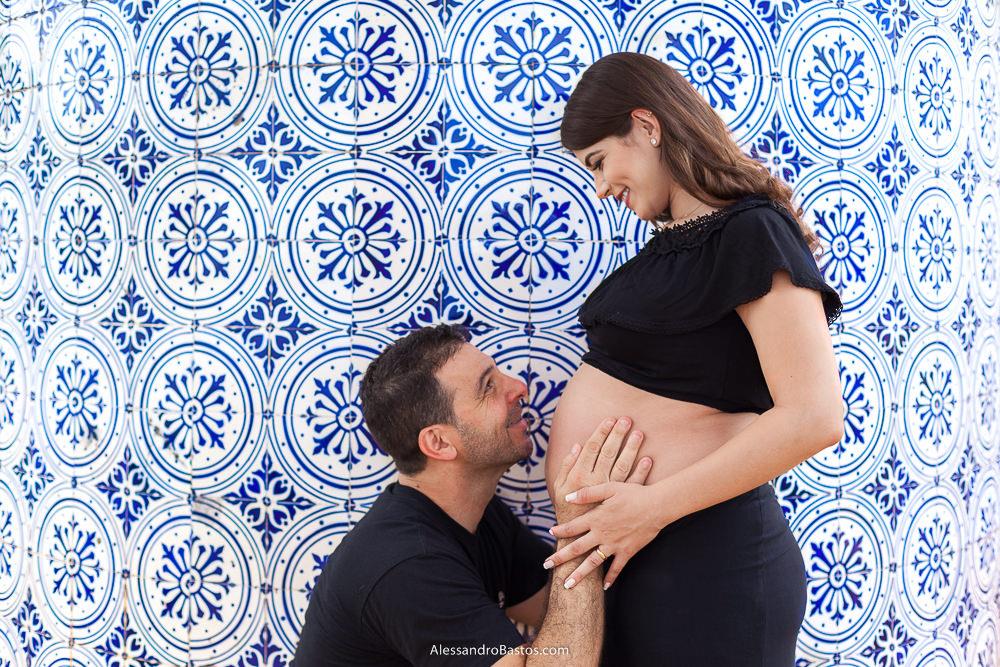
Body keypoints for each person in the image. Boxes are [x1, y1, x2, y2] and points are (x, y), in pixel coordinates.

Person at [540, 52, 846, 665]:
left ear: (647, 126)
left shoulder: (753, 232)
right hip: (637, 559)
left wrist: (649, 509)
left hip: (709, 565)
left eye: (600, 162)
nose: (601, 188)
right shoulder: (664, 251)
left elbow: (815, 417)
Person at [293, 324, 653, 666]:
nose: (519, 387)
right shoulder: (410, 566)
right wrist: (578, 523)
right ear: (439, 442)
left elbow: (562, 609)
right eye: (488, 387)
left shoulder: (477, 514)